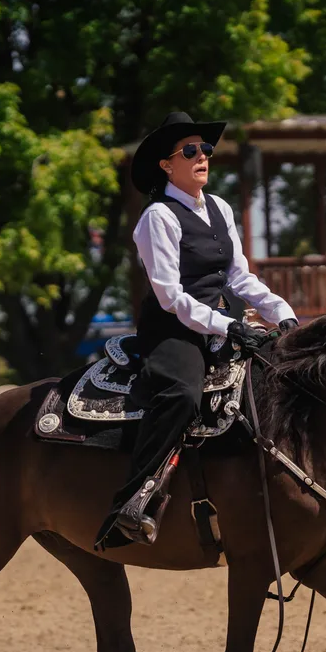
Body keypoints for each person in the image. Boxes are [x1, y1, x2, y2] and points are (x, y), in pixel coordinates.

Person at [95, 111, 298, 550]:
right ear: (167, 165)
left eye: (205, 149)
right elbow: (170, 296)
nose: (202, 156)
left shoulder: (222, 208)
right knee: (181, 395)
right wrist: (230, 326)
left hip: (220, 324)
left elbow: (240, 278)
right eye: (190, 150)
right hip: (171, 331)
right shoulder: (157, 217)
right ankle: (132, 502)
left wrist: (282, 314)